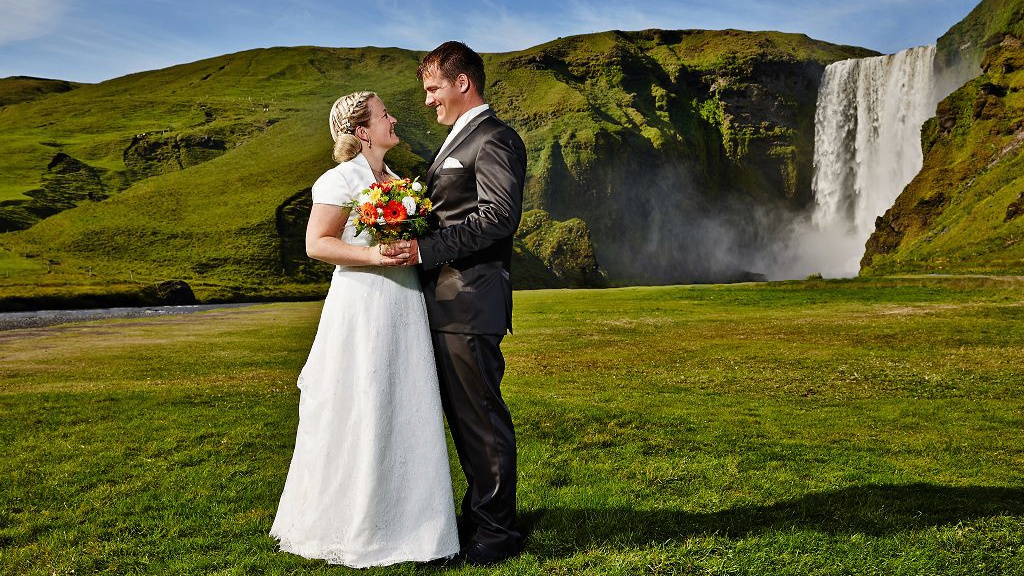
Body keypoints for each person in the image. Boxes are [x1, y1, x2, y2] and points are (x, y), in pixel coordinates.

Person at [269, 91, 459, 568]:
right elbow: (318, 243)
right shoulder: (340, 180)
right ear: (362, 132)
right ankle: (357, 522)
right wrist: (374, 255)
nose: (394, 119)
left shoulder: (396, 181)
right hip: (363, 305)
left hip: (404, 302)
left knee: (405, 400)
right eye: (384, 115)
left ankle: (412, 524)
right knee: (364, 400)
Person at [386, 41, 528, 566]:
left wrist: (423, 248)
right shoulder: (456, 141)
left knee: (481, 420)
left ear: (462, 82)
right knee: (463, 419)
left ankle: (496, 535)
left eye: (433, 89)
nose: (427, 101)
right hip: (445, 302)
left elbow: (497, 218)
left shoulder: (495, 138)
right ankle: (479, 518)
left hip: (469, 302)